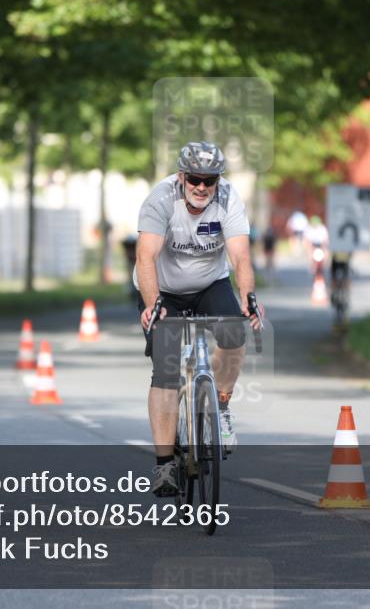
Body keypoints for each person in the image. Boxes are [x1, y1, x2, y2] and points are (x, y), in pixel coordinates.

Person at [135, 141, 264, 497]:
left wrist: (248, 298)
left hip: (210, 282)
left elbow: (240, 257)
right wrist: (152, 305)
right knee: (165, 368)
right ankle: (164, 465)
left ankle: (220, 409)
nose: (202, 187)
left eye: (210, 180)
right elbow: (145, 257)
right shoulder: (161, 199)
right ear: (182, 177)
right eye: (195, 179)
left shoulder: (228, 199)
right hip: (165, 289)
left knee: (235, 332)